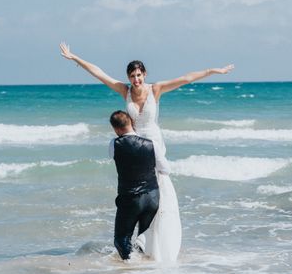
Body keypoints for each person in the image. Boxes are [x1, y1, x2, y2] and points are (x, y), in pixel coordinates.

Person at [60, 43, 234, 262]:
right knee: (138, 191)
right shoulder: (125, 90)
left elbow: (187, 78)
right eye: (132, 76)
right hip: (134, 146)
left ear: (145, 74)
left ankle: (155, 243)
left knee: (158, 193)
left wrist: (213, 71)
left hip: (153, 145)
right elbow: (99, 74)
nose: (136, 80)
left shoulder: (156, 89)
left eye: (139, 75)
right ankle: (139, 243)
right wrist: (75, 57)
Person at [109, 110, 170, 260]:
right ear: (131, 122)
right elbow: (165, 170)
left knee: (121, 239)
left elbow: (116, 157)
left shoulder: (114, 144)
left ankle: (130, 268)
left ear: (115, 128)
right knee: (144, 239)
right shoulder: (152, 144)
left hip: (130, 199)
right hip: (152, 199)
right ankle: (144, 270)